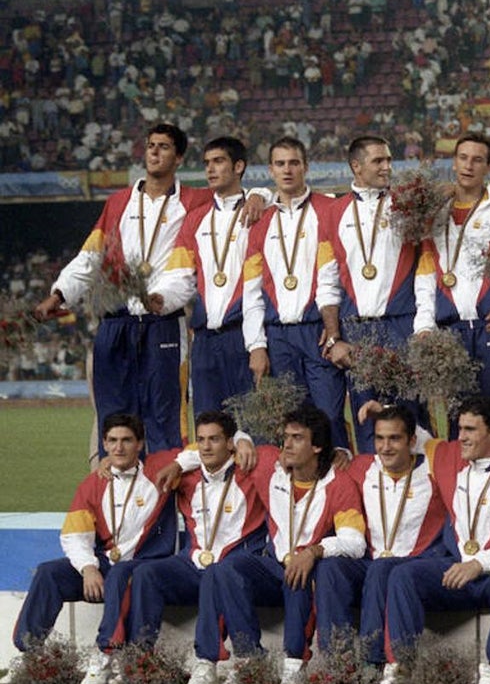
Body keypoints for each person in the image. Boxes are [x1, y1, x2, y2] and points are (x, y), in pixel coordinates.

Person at [32, 124, 262, 454]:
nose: (154, 152)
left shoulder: (195, 201)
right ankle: (118, 499)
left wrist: (259, 194)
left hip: (162, 323)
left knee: (167, 421)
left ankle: (167, 502)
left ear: (179, 157)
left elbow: (234, 195)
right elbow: (89, 258)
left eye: (164, 147)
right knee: (115, 420)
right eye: (151, 145)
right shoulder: (118, 202)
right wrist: (58, 295)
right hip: (116, 322)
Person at [189, 405, 366, 684]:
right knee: (226, 569)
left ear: (318, 446)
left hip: (308, 568)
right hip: (273, 564)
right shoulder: (270, 465)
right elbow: (218, 445)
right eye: (285, 437)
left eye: (297, 438)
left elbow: (355, 542)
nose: (287, 444)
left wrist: (313, 551)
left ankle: (294, 664)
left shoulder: (339, 484)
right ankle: (250, 662)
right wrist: (244, 439)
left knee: (299, 573)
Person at [374, 396, 490, 684]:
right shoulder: (450, 459)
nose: (461, 436)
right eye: (460, 428)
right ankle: (400, 669)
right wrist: (380, 411)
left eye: (471, 430)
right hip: (456, 571)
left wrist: (478, 564)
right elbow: (419, 437)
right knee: (403, 575)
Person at [3, 414, 177, 684]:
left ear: (140, 444)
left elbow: (197, 451)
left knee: (121, 572)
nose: (119, 448)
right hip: (103, 565)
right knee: (50, 572)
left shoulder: (160, 470)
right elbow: (74, 534)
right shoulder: (93, 483)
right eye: (112, 441)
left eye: (127, 441)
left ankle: (104, 659)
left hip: (144, 566)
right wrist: (88, 567)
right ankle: (30, 652)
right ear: (104, 445)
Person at [117, 411, 268, 684]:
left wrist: (245, 438)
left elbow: (275, 450)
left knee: (218, 572)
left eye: (215, 439)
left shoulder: (253, 470)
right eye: (201, 440)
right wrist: (107, 462)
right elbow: (136, 464)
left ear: (231, 443)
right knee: (147, 572)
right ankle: (139, 661)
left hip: (238, 566)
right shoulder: (186, 475)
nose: (207, 447)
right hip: (192, 565)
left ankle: (209, 663)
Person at [310, 402, 449, 684]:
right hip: (371, 565)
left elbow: (444, 443)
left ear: (412, 441)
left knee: (385, 569)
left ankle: (374, 663)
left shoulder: (436, 468)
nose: (385, 447)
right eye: (379, 438)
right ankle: (338, 664)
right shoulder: (360, 467)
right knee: (330, 567)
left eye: (395, 438)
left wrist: (387, 407)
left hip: (416, 568)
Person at [319, 136, 431, 453]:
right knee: (366, 418)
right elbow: (327, 279)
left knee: (410, 417)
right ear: (356, 166)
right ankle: (373, 497)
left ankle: (419, 497)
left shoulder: (406, 204)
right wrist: (333, 337)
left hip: (401, 325)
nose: (387, 167)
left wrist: (422, 326)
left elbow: (425, 270)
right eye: (378, 161)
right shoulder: (333, 212)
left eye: (388, 160)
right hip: (356, 330)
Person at [244, 136, 348, 448]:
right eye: (280, 164)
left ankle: (337, 490)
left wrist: (335, 331)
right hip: (277, 338)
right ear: (270, 170)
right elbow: (251, 292)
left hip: (317, 332)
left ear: (306, 166)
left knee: (328, 418)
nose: (287, 170)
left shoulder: (329, 209)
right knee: (288, 425)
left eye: (293, 163)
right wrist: (256, 346)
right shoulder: (259, 222)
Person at [413, 133, 490, 431]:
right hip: (450, 332)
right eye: (463, 158)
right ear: (453, 162)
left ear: (489, 167)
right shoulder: (434, 211)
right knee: (455, 420)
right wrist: (424, 326)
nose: (468, 166)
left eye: (477, 160)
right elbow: (425, 272)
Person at [176, 137, 262, 417]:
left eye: (218, 161)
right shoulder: (195, 219)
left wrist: (262, 194)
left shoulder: (261, 213)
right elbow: (181, 276)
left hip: (243, 335)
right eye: (206, 163)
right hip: (204, 340)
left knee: (252, 429)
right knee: (208, 427)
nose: (210, 169)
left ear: (239, 166)